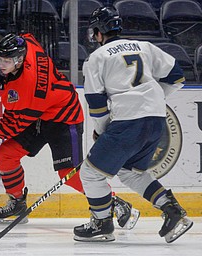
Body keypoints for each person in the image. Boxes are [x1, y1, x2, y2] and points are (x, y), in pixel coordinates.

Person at [0, 32, 139, 227]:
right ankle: (17, 203)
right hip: (40, 113)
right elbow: (27, 36)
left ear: (19, 60)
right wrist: (4, 71)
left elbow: (12, 125)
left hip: (63, 116)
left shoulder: (28, 88)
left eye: (6, 62)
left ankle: (114, 202)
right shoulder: (27, 46)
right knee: (6, 153)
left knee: (68, 173)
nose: (0, 65)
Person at [73, 6, 193, 243]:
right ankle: (172, 211)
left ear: (98, 33)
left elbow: (96, 104)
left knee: (89, 173)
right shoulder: (144, 46)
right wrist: (151, 100)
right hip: (157, 120)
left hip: (128, 122)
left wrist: (102, 130)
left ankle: (102, 224)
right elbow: (177, 76)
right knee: (131, 172)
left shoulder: (96, 58)